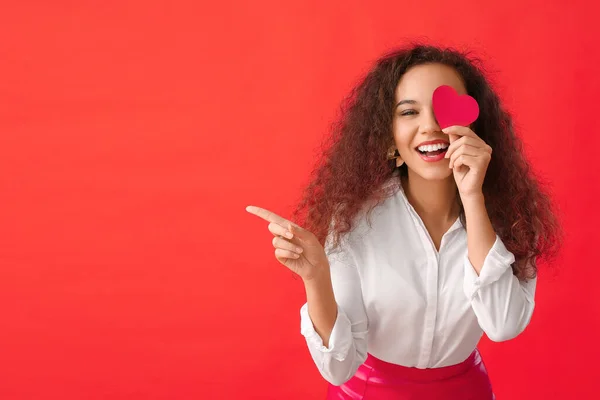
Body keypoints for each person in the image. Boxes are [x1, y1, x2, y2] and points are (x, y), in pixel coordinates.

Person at [246, 44, 562, 399]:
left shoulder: (512, 217)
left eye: (446, 109)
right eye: (409, 112)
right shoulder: (353, 221)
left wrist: (473, 198)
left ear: (476, 122)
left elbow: (502, 325)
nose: (430, 126)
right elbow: (338, 367)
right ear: (389, 135)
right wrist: (316, 277)